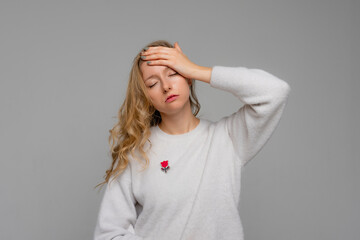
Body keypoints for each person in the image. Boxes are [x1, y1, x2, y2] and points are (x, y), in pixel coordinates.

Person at [93, 40, 291, 240]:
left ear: (187, 78)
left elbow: (275, 91)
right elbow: (109, 234)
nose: (166, 86)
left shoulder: (228, 138)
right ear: (146, 96)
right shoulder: (135, 153)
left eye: (173, 73)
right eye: (152, 83)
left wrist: (195, 70)